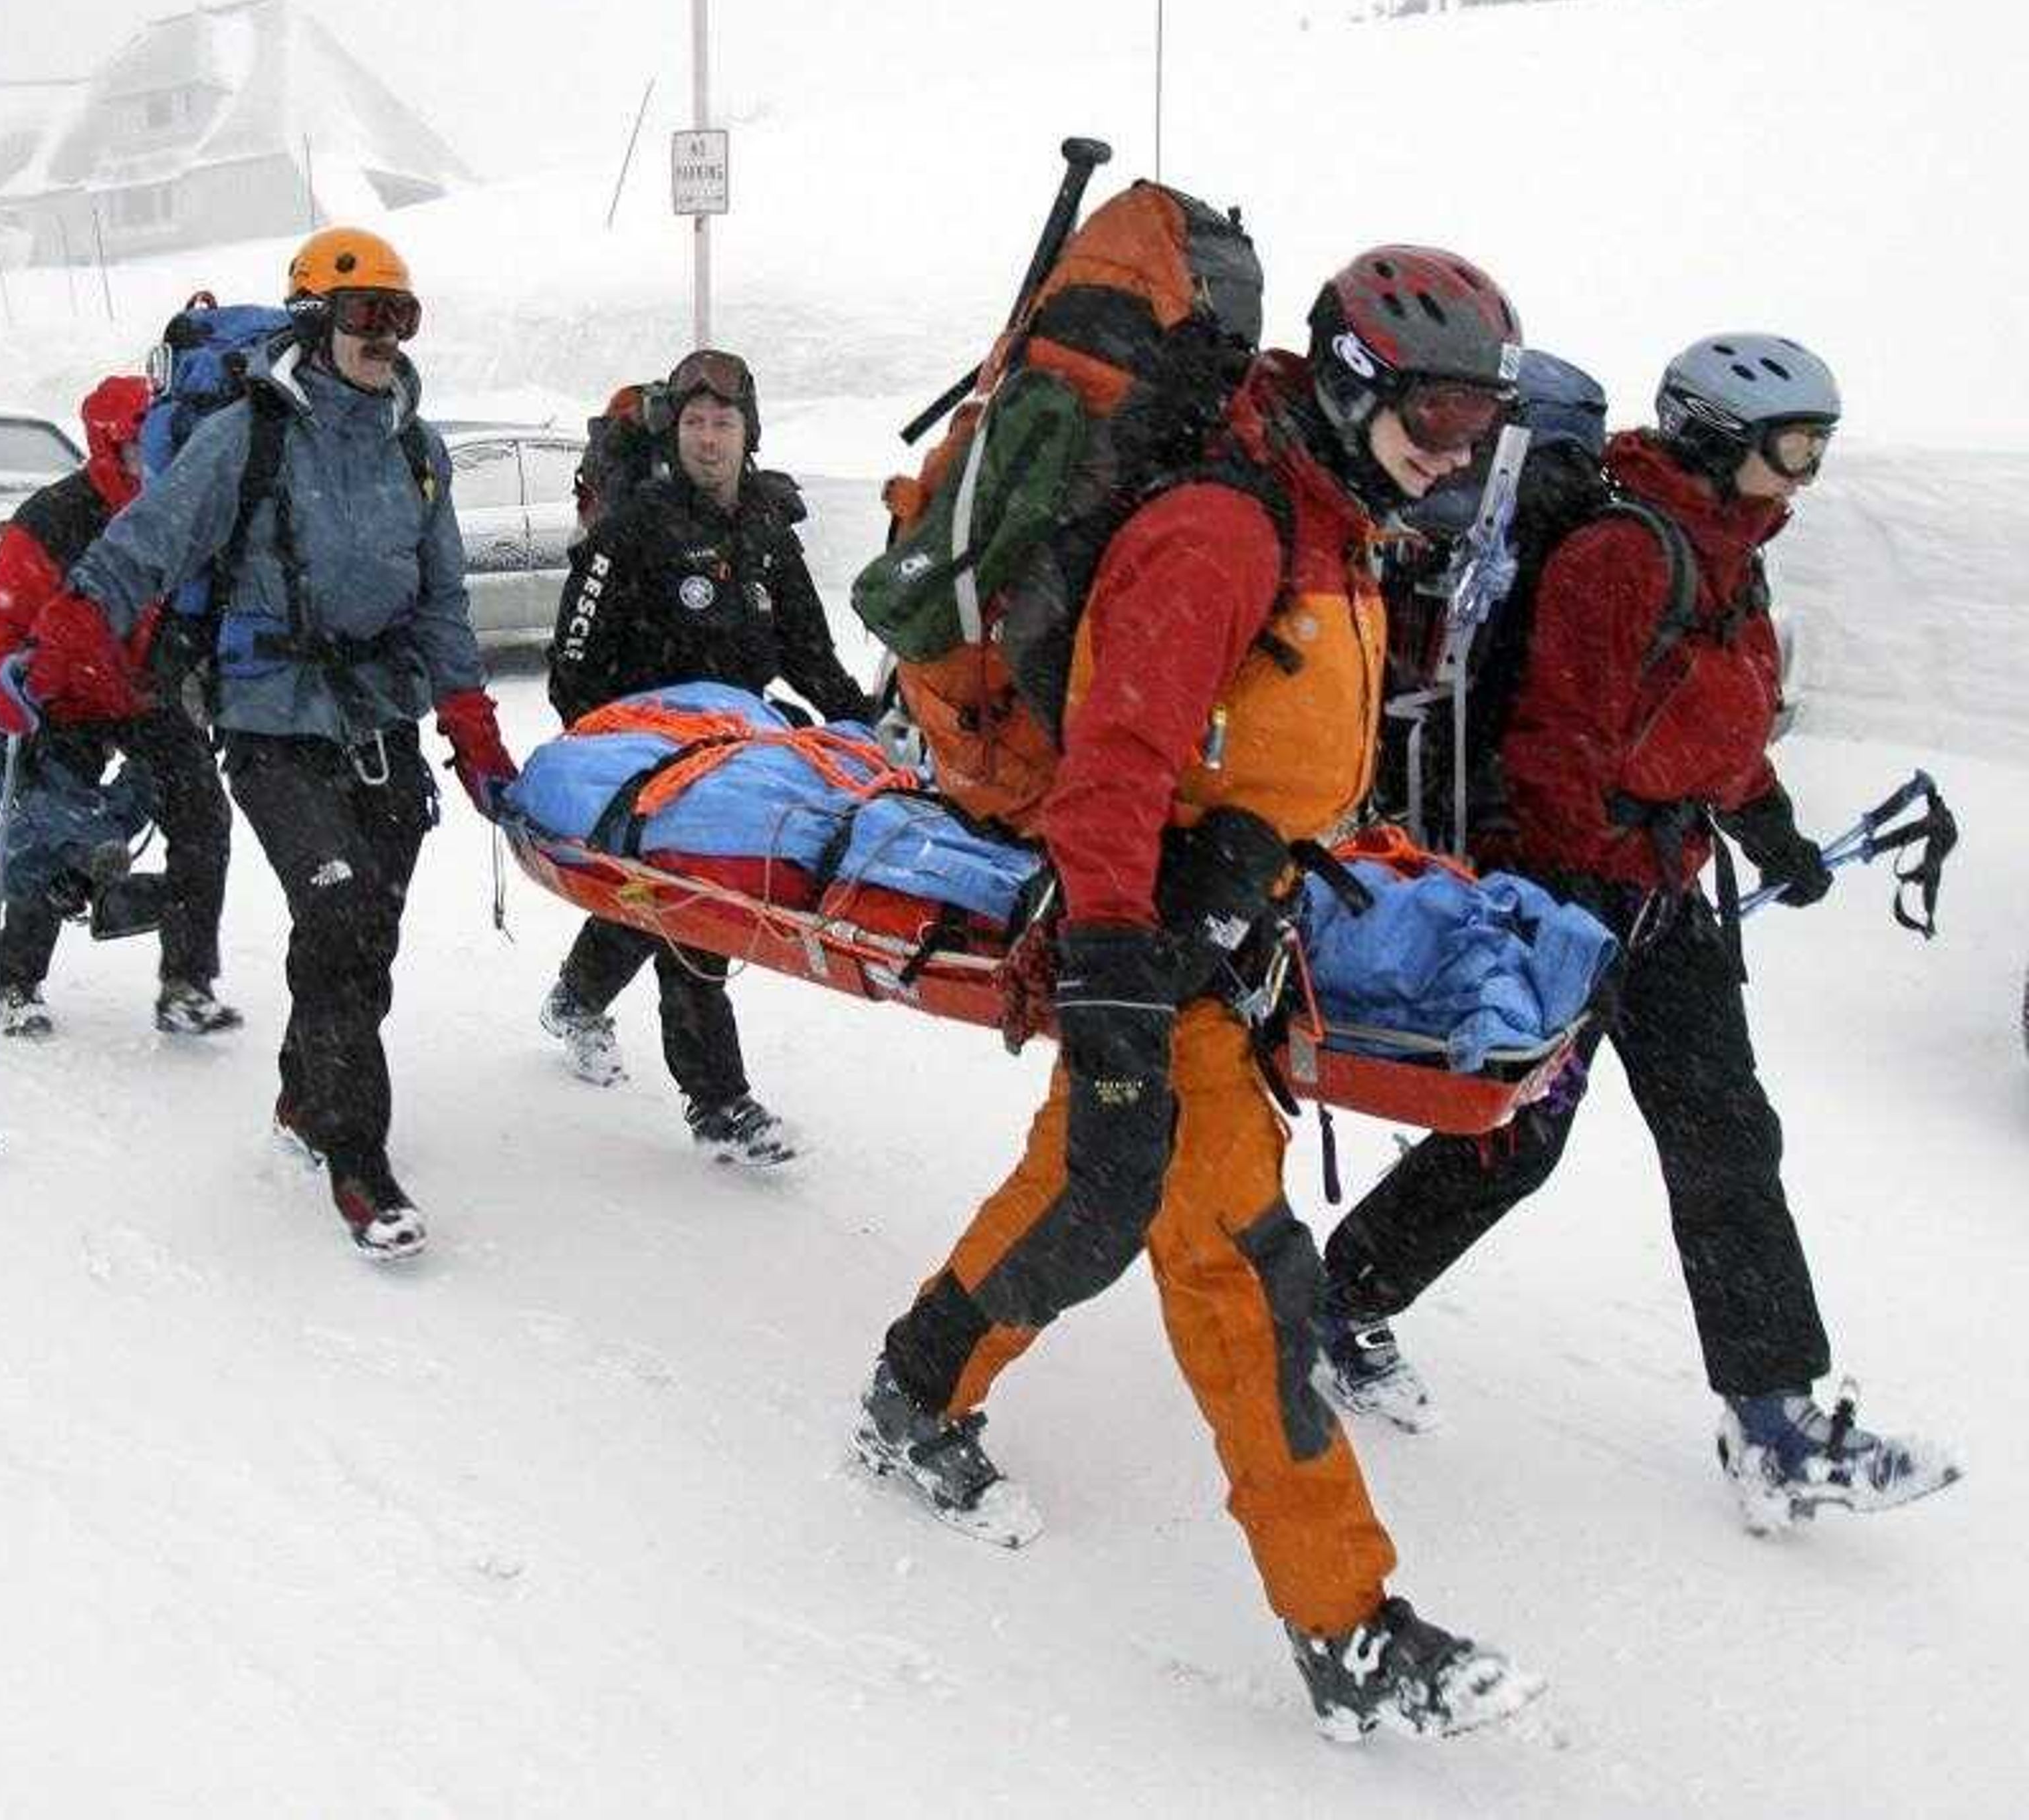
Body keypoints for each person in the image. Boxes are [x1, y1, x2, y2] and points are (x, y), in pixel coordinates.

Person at [855, 248, 1545, 1742]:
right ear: (1356, 383)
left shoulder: (1334, 522)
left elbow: (1272, 746)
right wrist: (1112, 992)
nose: (1455, 446)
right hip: (1151, 947)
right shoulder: (1220, 530)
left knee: (1080, 1196)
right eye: (1435, 409)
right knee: (1243, 1277)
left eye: (1480, 422)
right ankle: (1347, 1626)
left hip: (1225, 940)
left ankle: (914, 1386)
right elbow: (1115, 775)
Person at [1315, 332, 1961, 1532]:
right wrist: (1568, 913)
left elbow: (1714, 720)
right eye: (1793, 449)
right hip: (1582, 894)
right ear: (1720, 439)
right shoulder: (1621, 552)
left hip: (1666, 886)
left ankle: (1773, 1421)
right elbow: (1557, 739)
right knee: (1518, 1135)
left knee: (1725, 1138)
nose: (1807, 474)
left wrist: (1774, 837)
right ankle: (1336, 1302)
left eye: (1819, 447)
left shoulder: (1727, 556)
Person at [17, 228, 516, 1260]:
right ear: (315, 321)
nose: (382, 336)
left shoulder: (415, 448)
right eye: (363, 314)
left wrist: (470, 721)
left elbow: (444, 599)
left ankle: (302, 1093)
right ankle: (358, 1161)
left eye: (400, 316)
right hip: (270, 719)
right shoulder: (250, 435)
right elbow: (150, 541)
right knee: (335, 911)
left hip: (380, 722)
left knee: (365, 931)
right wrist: (66, 630)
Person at [536, 349, 871, 1164]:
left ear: (749, 432)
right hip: (649, 760)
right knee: (698, 910)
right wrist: (618, 761)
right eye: (695, 423)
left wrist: (868, 726)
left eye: (724, 423)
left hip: (741, 757)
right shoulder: (633, 530)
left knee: (655, 906)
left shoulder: (764, 528)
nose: (709, 439)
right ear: (674, 432)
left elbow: (810, 653)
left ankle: (576, 999)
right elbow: (572, 668)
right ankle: (718, 1102)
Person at [0, 374, 240, 1041]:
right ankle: (16, 982)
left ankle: (187, 984)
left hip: (144, 691)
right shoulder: (55, 518)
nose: (159, 459)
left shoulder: (187, 513)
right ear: (109, 447)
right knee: (55, 836)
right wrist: (6, 686)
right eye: (144, 446)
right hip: (55, 695)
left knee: (204, 816)